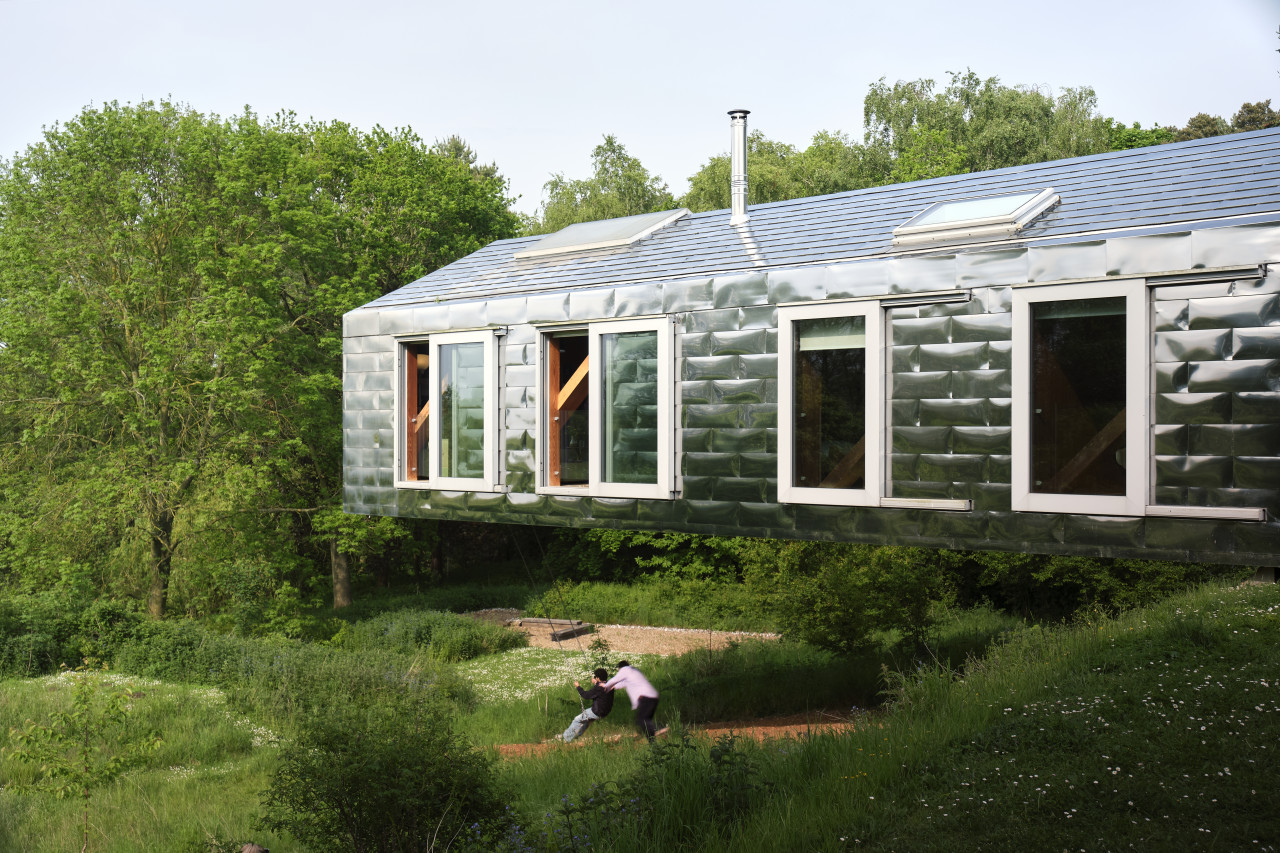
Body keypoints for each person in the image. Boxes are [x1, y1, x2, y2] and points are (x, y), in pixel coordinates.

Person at [602, 660, 667, 741]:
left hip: (645, 697)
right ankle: (653, 744)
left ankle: (659, 728)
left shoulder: (625, 669)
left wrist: (605, 686)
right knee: (645, 722)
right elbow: (624, 683)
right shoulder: (634, 671)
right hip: (653, 697)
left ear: (620, 668)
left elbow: (615, 679)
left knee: (641, 719)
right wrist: (613, 687)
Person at [561, 667, 614, 743]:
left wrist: (578, 687)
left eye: (596, 677)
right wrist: (596, 683)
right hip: (606, 711)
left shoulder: (598, 688)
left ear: (598, 678)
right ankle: (575, 736)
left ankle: (566, 738)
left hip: (597, 711)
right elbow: (601, 689)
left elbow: (586, 695)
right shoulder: (609, 685)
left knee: (577, 719)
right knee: (586, 722)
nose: (595, 678)